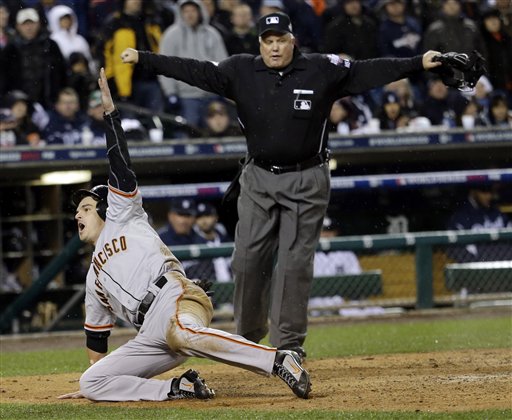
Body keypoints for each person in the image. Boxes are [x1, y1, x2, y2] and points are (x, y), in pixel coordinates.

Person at [120, 11, 445, 360]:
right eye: (268, 41)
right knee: (246, 260)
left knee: (294, 263)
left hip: (308, 178)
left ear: (293, 41)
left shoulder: (322, 69)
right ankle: (246, 336)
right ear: (260, 43)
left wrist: (418, 62)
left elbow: (369, 71)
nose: (275, 47)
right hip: (259, 177)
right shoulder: (240, 69)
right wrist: (145, 59)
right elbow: (194, 70)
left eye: (281, 40)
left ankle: (288, 345)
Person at [57, 67, 311, 402]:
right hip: (150, 335)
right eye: (77, 210)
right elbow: (96, 338)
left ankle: (279, 360)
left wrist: (110, 115)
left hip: (171, 297)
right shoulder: (94, 278)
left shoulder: (122, 214)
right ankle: (179, 387)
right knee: (91, 383)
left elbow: (120, 163)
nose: (78, 213)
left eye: (86, 207)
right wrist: (99, 381)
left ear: (105, 208)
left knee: (182, 332)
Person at [158, 0, 228, 128]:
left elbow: (223, 63)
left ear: (200, 11)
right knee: (187, 138)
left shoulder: (212, 34)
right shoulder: (171, 35)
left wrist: (222, 88)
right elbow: (164, 67)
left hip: (211, 94)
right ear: (180, 13)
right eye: (186, 11)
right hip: (185, 97)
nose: (190, 14)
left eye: (193, 11)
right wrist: (170, 93)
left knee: (214, 139)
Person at [445, 184, 512, 263]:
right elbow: (455, 249)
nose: (488, 196)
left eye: (490, 192)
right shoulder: (461, 217)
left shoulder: (496, 212)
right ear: (473, 192)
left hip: (506, 267)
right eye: (484, 192)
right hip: (477, 270)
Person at [188, 201, 232, 282]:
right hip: (209, 288)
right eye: (199, 217)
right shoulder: (191, 241)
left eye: (207, 215)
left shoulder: (225, 239)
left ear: (216, 217)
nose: (204, 220)